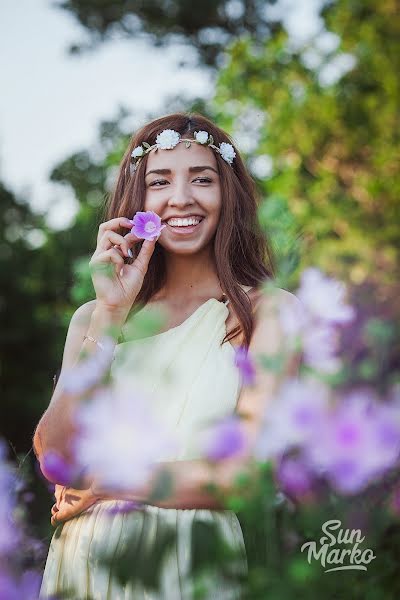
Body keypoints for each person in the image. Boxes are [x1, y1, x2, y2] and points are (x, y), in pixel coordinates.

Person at [34, 112, 301, 599]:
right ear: (137, 202)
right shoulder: (92, 318)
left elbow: (242, 477)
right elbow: (56, 457)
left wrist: (108, 481)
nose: (181, 197)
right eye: (160, 182)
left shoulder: (268, 313)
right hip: (79, 570)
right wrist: (110, 317)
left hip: (191, 567)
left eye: (202, 179)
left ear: (229, 197)